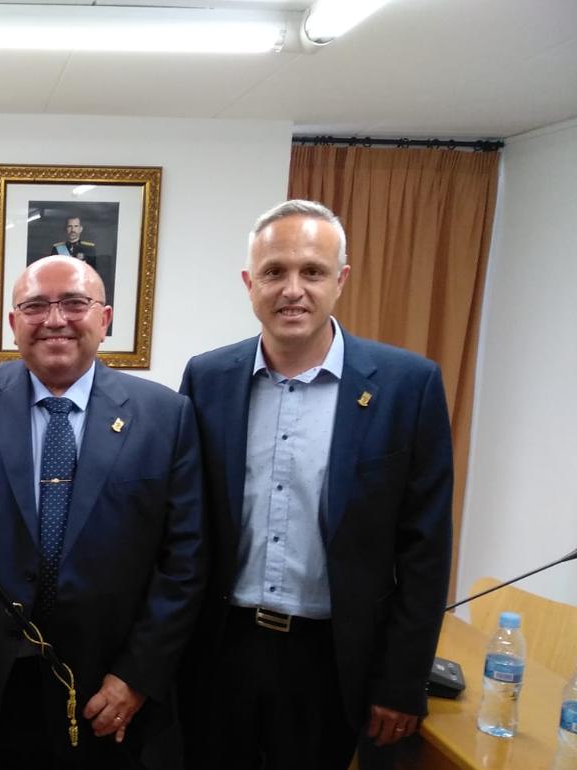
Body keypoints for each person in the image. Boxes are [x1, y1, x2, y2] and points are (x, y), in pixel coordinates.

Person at [0, 255, 204, 769]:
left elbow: (185, 560)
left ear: (105, 319)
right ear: (14, 323)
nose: (55, 319)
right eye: (35, 306)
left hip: (107, 682)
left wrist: (138, 675)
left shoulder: (165, 416)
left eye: (75, 303)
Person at [177, 199, 453, 769]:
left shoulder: (408, 386)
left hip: (332, 657)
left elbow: (425, 551)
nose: (292, 290)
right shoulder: (207, 378)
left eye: (312, 271)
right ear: (250, 283)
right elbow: (183, 524)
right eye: (274, 272)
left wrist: (401, 679)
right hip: (221, 647)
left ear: (341, 280)